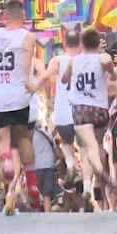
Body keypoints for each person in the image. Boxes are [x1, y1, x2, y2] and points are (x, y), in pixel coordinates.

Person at [0, 0, 40, 214]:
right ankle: (31, 183)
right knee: (22, 137)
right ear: (22, 16)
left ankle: (6, 161)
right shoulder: (28, 36)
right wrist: (29, 85)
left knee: (3, 141)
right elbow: (27, 62)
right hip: (18, 94)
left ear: (4, 16)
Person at [62, 27, 117, 207]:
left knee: (89, 145)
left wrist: (70, 77)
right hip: (100, 108)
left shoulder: (74, 61)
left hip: (81, 109)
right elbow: (110, 67)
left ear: (82, 44)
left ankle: (100, 173)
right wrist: (113, 72)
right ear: (98, 43)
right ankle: (91, 184)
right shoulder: (103, 58)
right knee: (96, 146)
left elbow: (64, 80)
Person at [28, 30, 81, 188]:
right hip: (83, 112)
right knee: (86, 147)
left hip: (64, 111)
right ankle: (87, 182)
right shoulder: (85, 60)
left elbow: (44, 77)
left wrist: (49, 98)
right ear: (80, 44)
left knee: (66, 142)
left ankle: (71, 164)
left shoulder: (57, 60)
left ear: (65, 44)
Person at [33, 126, 57, 213]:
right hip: (48, 165)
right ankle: (47, 213)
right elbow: (54, 147)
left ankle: (36, 212)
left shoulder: (28, 136)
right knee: (47, 194)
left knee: (36, 192)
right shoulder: (45, 133)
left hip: (36, 166)